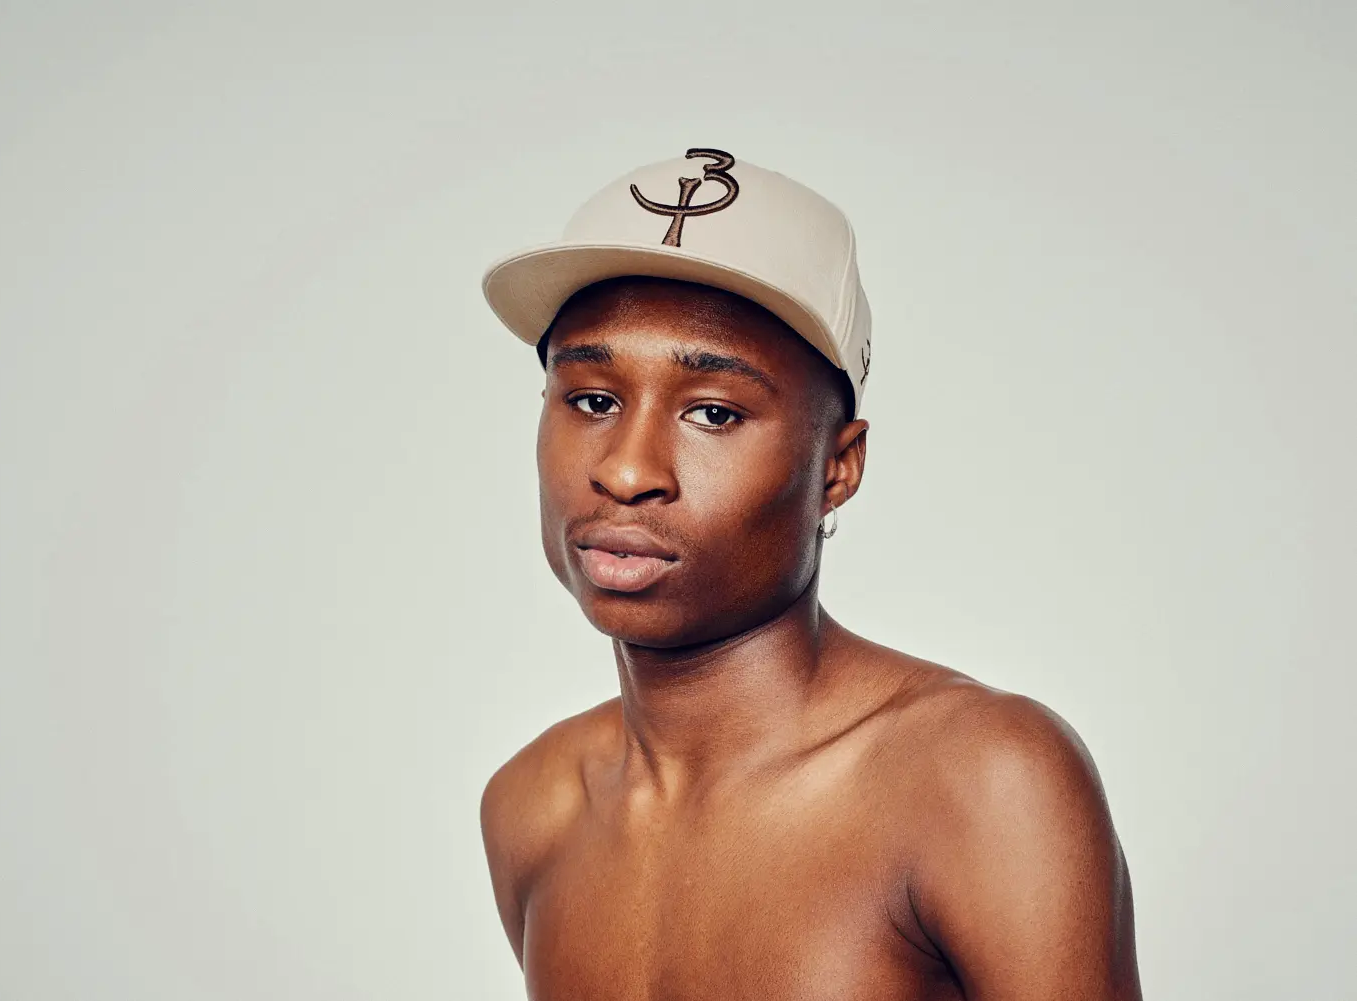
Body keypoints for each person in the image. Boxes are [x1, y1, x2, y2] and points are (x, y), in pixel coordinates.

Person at [477, 148, 1141, 1000]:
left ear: (838, 466)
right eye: (593, 400)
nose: (628, 469)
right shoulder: (533, 807)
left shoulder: (981, 780)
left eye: (713, 412)